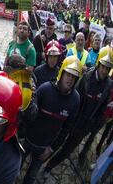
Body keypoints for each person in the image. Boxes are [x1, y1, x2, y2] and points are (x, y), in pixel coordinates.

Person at [43, 46, 113, 176]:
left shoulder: (109, 84)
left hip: (84, 126)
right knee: (56, 144)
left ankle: (49, 167)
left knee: (67, 150)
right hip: (72, 120)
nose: (104, 70)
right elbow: (74, 96)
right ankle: (42, 161)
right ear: (98, 64)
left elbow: (103, 108)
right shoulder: (86, 77)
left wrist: (93, 124)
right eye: (103, 66)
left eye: (107, 68)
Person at [22, 56, 82, 184]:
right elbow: (29, 114)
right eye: (68, 74)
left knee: (31, 177)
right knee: (16, 167)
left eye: (74, 76)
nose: (70, 79)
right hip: (28, 139)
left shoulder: (75, 100)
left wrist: (52, 148)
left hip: (45, 147)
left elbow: (67, 128)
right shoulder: (45, 89)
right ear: (62, 73)